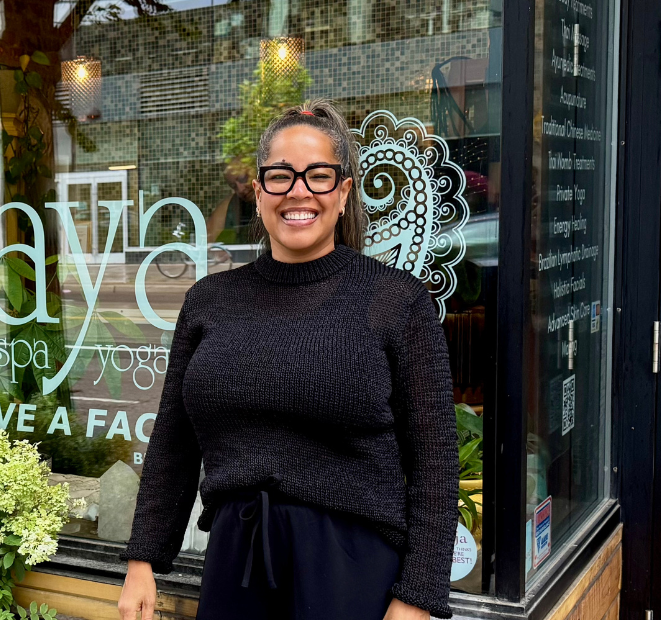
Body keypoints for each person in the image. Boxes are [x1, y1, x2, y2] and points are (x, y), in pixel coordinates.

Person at [116, 100, 458, 620]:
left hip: (352, 568)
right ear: (258, 193)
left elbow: (435, 460)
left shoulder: (394, 300)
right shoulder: (210, 300)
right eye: (280, 176)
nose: (299, 191)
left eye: (318, 176)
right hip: (237, 562)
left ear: (343, 193)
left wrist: (417, 598)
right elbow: (174, 440)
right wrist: (143, 559)